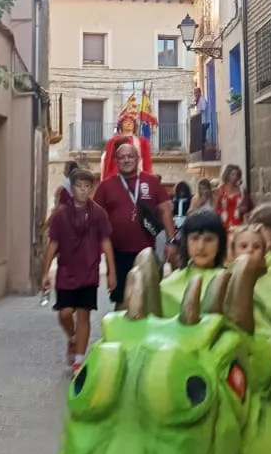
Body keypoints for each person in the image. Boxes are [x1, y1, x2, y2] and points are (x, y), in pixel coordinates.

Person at [43, 169, 115, 372]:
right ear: (72, 188)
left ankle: (79, 361)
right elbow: (53, 244)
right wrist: (45, 272)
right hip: (66, 271)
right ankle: (73, 337)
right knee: (64, 313)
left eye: (87, 186)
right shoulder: (60, 215)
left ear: (92, 189)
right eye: (79, 186)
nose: (83, 190)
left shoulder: (99, 214)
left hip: (89, 272)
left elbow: (106, 243)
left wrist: (111, 272)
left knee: (84, 315)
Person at [93, 138, 174, 305]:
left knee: (148, 298)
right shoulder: (106, 186)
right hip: (118, 253)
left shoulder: (151, 181)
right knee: (121, 299)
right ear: (116, 161)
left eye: (130, 156)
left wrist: (171, 241)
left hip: (148, 252)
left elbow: (165, 211)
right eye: (122, 157)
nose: (126, 160)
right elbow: (95, 219)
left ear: (138, 159)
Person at [214, 164, 250, 253]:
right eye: (232, 174)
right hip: (223, 222)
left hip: (238, 221)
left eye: (237, 175)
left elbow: (247, 205)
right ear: (227, 175)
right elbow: (215, 206)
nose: (235, 177)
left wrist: (244, 210)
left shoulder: (241, 190)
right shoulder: (220, 190)